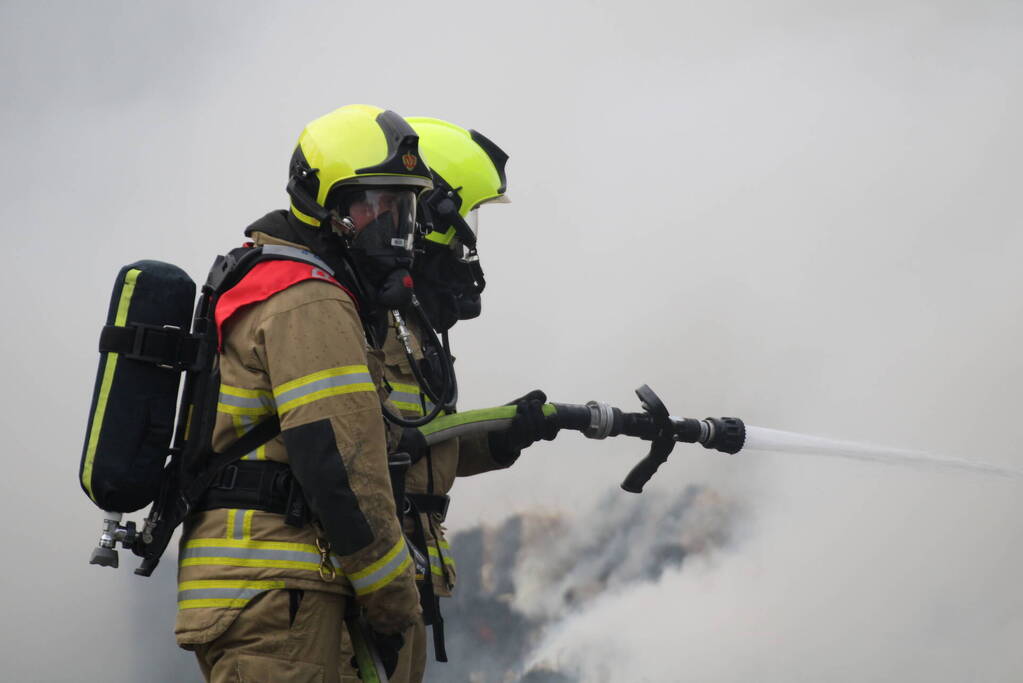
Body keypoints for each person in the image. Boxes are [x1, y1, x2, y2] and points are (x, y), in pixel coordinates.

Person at [175, 104, 432, 682]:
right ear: (328, 207)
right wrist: (392, 599)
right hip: (278, 598)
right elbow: (341, 464)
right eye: (376, 206)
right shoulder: (311, 300)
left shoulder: (289, 282)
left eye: (403, 208)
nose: (393, 227)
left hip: (272, 595)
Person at [338, 117, 557, 683]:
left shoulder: (409, 328)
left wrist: (504, 439)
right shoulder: (361, 317)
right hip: (355, 594)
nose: (469, 243)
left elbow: (415, 449)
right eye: (467, 219)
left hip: (403, 588)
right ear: (432, 215)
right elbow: (354, 453)